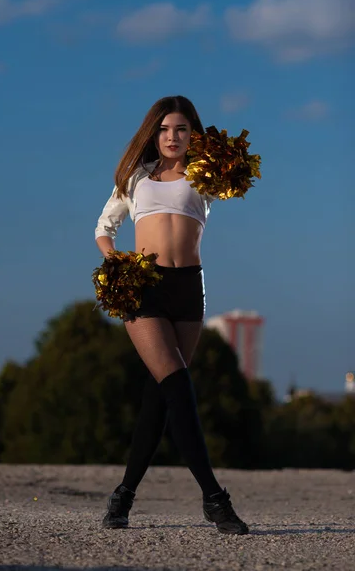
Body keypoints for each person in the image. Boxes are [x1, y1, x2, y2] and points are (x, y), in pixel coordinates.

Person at [94, 95, 249, 535]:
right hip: (143, 289)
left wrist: (222, 154)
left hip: (189, 290)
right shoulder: (136, 177)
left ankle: (122, 497)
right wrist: (115, 263)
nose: (172, 137)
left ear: (192, 134)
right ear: (153, 133)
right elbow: (104, 228)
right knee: (178, 386)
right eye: (164, 129)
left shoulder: (206, 175)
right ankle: (215, 499)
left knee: (159, 398)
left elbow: (236, 180)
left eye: (181, 129)